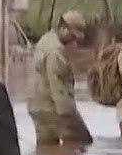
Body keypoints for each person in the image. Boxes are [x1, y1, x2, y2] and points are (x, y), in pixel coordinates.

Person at [27, 10, 93, 147]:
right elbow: (58, 86)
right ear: (64, 28)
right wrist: (69, 115)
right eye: (73, 36)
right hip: (53, 108)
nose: (74, 41)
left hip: (36, 106)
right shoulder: (56, 51)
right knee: (79, 144)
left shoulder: (45, 40)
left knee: (46, 147)